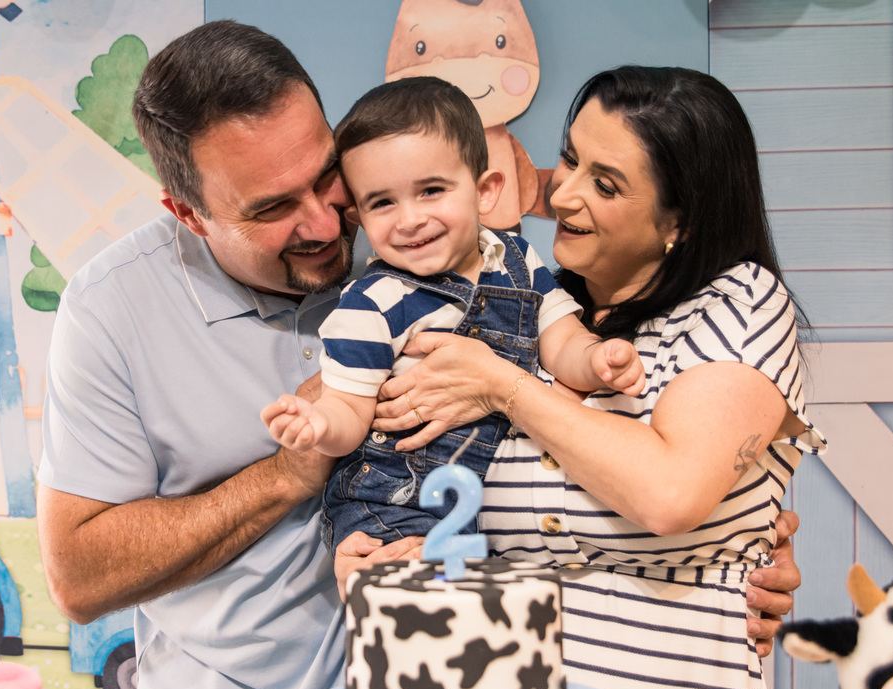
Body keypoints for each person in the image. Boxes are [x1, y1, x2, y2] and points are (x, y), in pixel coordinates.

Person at [35, 19, 800, 689]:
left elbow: (619, 467)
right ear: (188, 212)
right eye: (273, 209)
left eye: (327, 179)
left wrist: (737, 541)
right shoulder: (115, 309)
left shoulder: (437, 246)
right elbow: (78, 576)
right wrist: (288, 474)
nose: (329, 223)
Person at [339, 66, 827, 689]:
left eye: (606, 183)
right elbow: (398, 443)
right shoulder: (515, 305)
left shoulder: (738, 302)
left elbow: (670, 494)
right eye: (569, 158)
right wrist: (379, 544)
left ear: (679, 220)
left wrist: (503, 386)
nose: (561, 193)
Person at [262, 76, 644, 552]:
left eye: (431, 191)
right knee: (421, 608)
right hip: (393, 503)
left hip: (489, 508)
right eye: (382, 202)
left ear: (485, 191)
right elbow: (349, 410)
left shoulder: (518, 261)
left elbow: (562, 339)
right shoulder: (372, 303)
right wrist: (319, 426)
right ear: (358, 216)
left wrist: (597, 358)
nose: (409, 218)